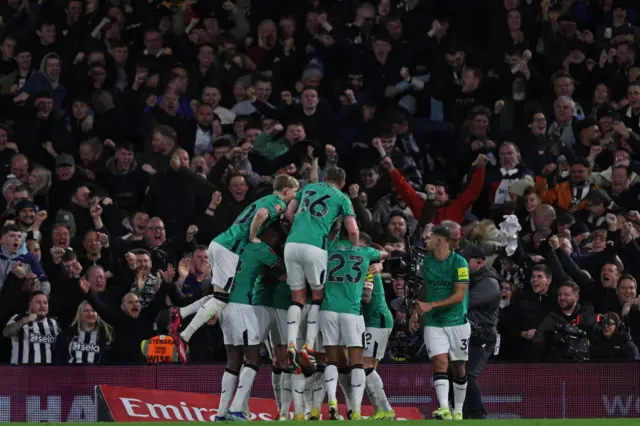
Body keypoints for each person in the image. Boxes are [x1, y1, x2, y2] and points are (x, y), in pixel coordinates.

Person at [174, 175, 299, 352]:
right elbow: (262, 214)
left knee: (220, 295)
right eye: (294, 192)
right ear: (285, 191)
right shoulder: (278, 203)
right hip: (229, 248)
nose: (295, 196)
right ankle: (185, 336)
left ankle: (181, 313)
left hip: (220, 243)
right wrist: (253, 236)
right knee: (221, 299)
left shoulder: (265, 199)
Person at [283, 167, 359, 368]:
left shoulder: (307, 188)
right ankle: (308, 345)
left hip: (291, 245)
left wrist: (297, 229)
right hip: (316, 246)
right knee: (317, 296)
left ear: (325, 178)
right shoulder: (342, 198)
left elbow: (289, 212)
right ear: (342, 183)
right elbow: (352, 230)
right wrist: (354, 248)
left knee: (297, 297)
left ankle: (290, 343)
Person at [219, 223, 287, 421]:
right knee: (252, 359)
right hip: (254, 306)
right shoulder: (263, 250)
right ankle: (238, 409)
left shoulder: (238, 246)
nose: (277, 242)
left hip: (228, 304)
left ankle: (223, 413)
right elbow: (284, 272)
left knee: (235, 360)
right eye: (277, 238)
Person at [320, 231, 387, 421]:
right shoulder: (364, 252)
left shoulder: (329, 247)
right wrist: (379, 262)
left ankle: (332, 400)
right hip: (351, 310)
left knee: (332, 360)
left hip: (327, 309)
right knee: (357, 362)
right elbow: (384, 253)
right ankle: (356, 410)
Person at [412, 225, 470, 421]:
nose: (425, 240)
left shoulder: (459, 263)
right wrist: (416, 310)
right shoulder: (427, 262)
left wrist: (431, 305)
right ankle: (444, 408)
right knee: (440, 362)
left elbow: (459, 296)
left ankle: (458, 410)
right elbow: (426, 288)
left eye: (429, 237)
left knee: (459, 366)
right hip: (434, 323)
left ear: (440, 241)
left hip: (456, 322)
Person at [462, 244, 501, 419]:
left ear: (480, 262)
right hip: (469, 335)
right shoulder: (472, 279)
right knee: (458, 374)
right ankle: (464, 413)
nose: (462, 265)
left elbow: (465, 302)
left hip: (483, 337)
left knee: (468, 375)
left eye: (466, 261)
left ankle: (478, 415)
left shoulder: (489, 282)